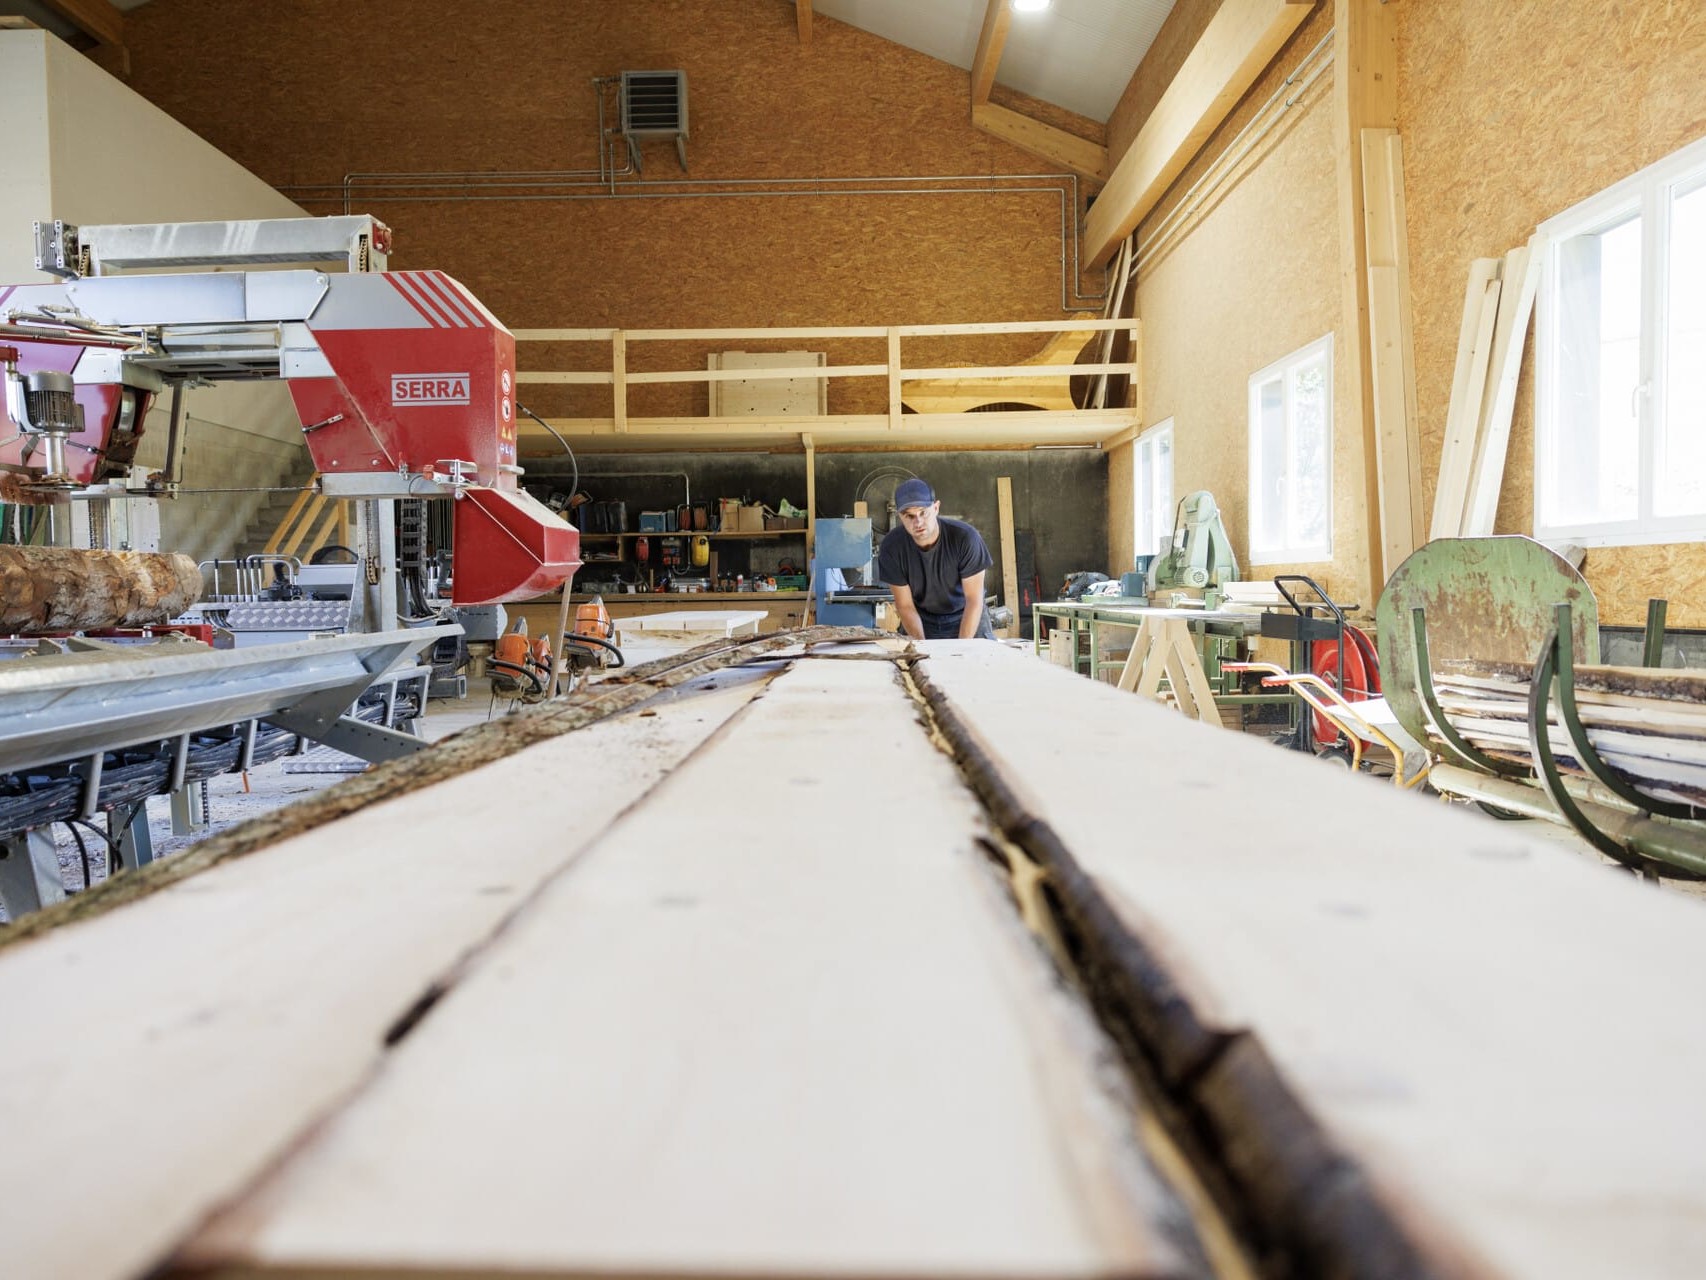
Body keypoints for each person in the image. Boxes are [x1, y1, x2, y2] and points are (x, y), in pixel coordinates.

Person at [877, 478, 997, 640]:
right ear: (900, 516)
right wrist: (921, 647)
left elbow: (974, 600)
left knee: (975, 656)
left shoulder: (965, 538)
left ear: (936, 508)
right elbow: (905, 606)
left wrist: (963, 648)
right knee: (914, 655)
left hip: (967, 614)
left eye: (923, 512)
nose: (918, 522)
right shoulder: (892, 547)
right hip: (921, 618)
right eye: (909, 516)